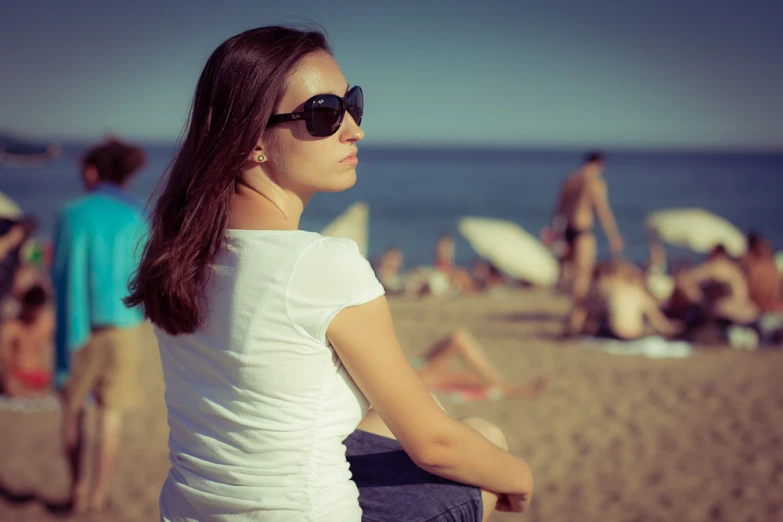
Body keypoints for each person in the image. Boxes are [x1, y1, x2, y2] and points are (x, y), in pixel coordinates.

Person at [125, 26, 533, 522]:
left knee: (417, 418)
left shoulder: (182, 251)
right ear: (253, 140)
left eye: (352, 105)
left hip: (193, 510)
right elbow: (434, 445)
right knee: (485, 441)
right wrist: (520, 479)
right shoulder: (321, 264)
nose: (354, 129)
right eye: (324, 114)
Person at [51, 138, 149, 514]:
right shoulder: (137, 214)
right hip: (125, 326)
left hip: (80, 325)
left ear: (91, 172)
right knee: (111, 415)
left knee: (73, 412)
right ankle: (98, 495)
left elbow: (60, 275)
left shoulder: (71, 213)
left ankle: (76, 491)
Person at [552, 152, 624, 336]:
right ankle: (576, 320)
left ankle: (574, 319)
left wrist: (556, 233)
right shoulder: (595, 182)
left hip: (567, 231)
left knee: (575, 275)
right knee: (583, 277)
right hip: (583, 231)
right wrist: (614, 235)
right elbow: (602, 210)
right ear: (599, 164)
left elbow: (559, 208)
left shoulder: (571, 179)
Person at [413, 328, 548, 399]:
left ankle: (507, 386)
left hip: (414, 367)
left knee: (476, 378)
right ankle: (508, 388)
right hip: (415, 375)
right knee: (459, 338)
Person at [583, 260, 682, 340]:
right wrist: (672, 328)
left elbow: (592, 314)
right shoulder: (639, 293)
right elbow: (658, 321)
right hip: (634, 335)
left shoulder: (610, 290)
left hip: (614, 334)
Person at [672, 244, 759, 326]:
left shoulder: (718, 266)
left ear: (716, 254)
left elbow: (691, 280)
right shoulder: (733, 269)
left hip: (727, 310)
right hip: (742, 310)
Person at [0, 285, 54, 396]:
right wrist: (9, 382)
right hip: (18, 379)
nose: (34, 315)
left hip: (39, 379)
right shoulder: (12, 328)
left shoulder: (46, 324)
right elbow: (4, 359)